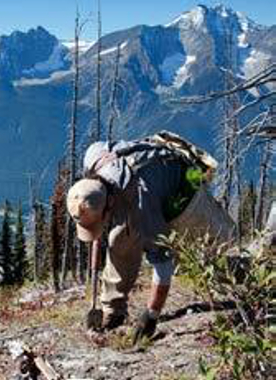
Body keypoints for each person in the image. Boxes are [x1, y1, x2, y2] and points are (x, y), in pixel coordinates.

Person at [66, 133, 228, 342]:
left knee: (219, 254)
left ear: (109, 206)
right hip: (139, 186)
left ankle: (262, 272)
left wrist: (152, 315)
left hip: (185, 192)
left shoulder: (142, 209)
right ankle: (113, 311)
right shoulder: (93, 158)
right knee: (119, 241)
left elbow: (163, 264)